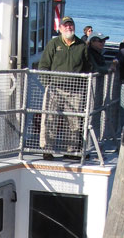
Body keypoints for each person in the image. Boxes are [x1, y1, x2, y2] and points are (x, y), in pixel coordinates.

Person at [37, 15, 91, 159]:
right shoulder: (53, 44)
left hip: (75, 91)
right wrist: (47, 84)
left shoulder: (81, 46)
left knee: (74, 122)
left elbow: (88, 66)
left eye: (70, 25)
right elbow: (43, 66)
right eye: (65, 25)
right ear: (60, 28)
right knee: (50, 120)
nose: (68, 27)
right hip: (55, 89)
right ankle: (47, 150)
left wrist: (106, 69)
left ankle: (71, 151)